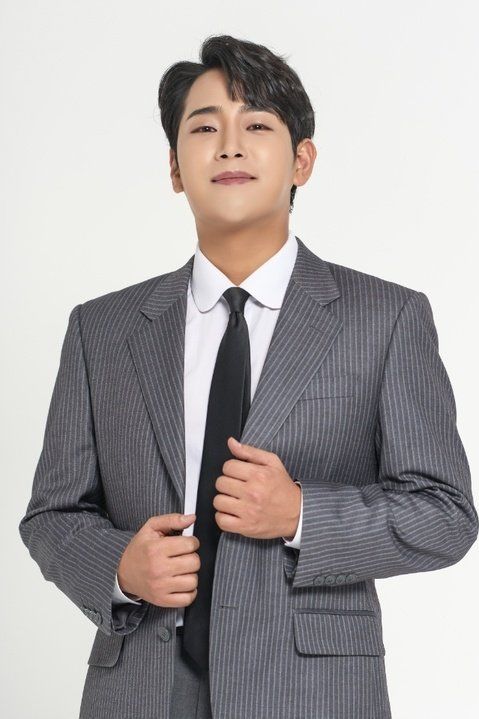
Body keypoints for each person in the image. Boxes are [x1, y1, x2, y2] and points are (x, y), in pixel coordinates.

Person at [19, 33, 478, 719]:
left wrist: (301, 514)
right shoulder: (102, 330)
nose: (229, 146)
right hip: (140, 690)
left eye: (256, 125)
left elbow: (444, 514)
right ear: (175, 168)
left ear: (302, 161)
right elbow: (52, 515)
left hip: (312, 694)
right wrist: (119, 567)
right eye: (205, 128)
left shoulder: (385, 318)